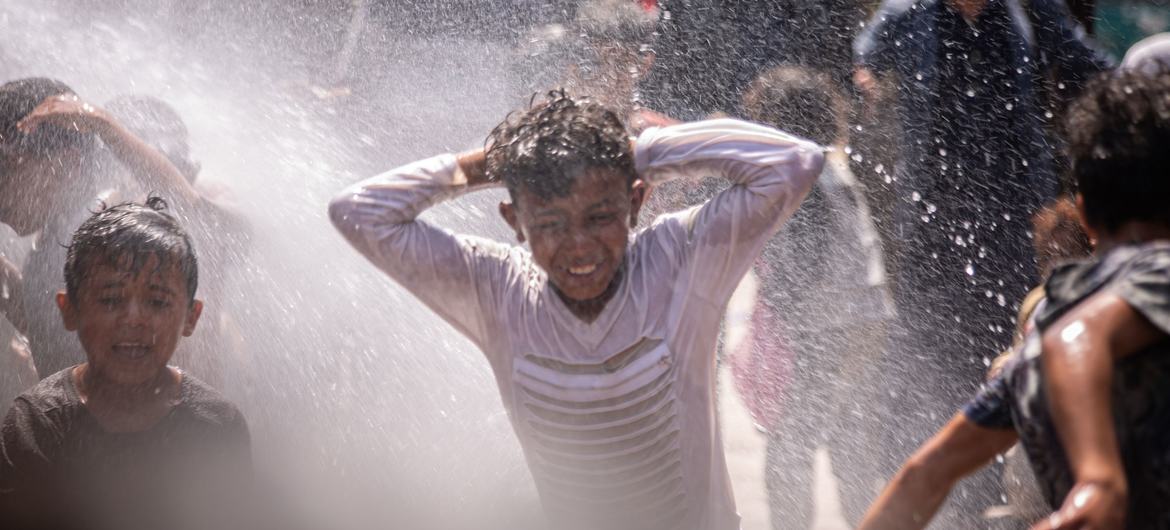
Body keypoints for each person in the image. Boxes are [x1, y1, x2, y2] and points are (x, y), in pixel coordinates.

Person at [329, 90, 824, 530]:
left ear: (636, 202)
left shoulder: (682, 258)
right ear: (513, 220)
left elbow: (795, 162)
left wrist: (640, 152)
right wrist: (492, 164)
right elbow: (358, 211)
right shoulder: (495, 288)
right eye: (549, 224)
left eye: (600, 217)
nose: (579, 247)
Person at [856, 67, 1170, 530]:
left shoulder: (1036, 348)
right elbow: (1078, 337)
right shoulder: (1154, 274)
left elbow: (922, 476)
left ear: (1083, 213)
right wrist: (1098, 482)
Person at [0, 198, 252, 530]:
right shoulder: (36, 424)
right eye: (110, 299)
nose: (134, 319)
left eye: (158, 301)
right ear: (69, 309)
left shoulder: (215, 425)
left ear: (191, 317)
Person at [736, 65, 895, 530]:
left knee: (791, 444)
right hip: (866, 320)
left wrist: (777, 298)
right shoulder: (829, 165)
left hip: (827, 328)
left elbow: (804, 265)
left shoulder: (797, 174)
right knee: (848, 441)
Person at [12, 89, 224, 379]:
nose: (145, 194)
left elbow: (188, 205)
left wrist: (104, 125)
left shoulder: (199, 237)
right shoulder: (91, 224)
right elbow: (66, 327)